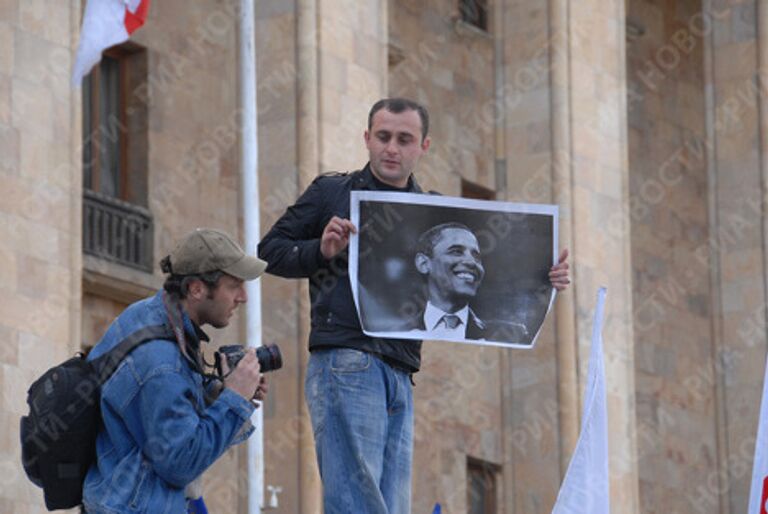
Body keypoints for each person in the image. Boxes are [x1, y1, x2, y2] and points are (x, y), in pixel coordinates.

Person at [258, 98, 570, 514]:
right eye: (383, 137)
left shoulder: (435, 210)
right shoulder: (331, 192)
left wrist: (543, 279)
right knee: (358, 502)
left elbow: (490, 266)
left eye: (404, 139)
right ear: (367, 139)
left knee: (389, 505)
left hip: (401, 371)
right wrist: (321, 249)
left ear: (423, 146)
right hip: (348, 358)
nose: (392, 148)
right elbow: (269, 252)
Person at [82, 228, 269, 514]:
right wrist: (233, 400)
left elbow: (155, 419)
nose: (243, 297)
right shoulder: (161, 361)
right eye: (233, 286)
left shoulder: (149, 315)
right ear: (196, 288)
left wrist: (219, 393)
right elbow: (181, 462)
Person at [398, 221, 532, 342]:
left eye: (477, 257)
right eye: (456, 251)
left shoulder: (512, 336)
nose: (471, 262)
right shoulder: (397, 334)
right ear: (423, 263)